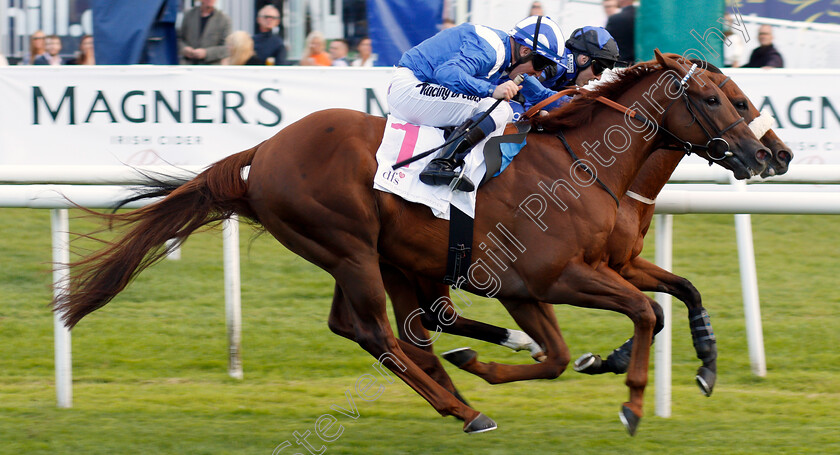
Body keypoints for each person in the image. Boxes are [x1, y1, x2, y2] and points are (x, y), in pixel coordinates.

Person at [388, 15, 566, 191]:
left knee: (498, 108)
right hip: (409, 88)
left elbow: (542, 96)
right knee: (499, 110)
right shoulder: (490, 51)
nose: (539, 73)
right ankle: (441, 164)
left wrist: (585, 102)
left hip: (420, 89)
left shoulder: (509, 59)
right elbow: (446, 73)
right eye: (542, 64)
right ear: (525, 51)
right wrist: (491, 90)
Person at [178, 0, 232, 65]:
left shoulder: (223, 19)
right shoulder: (189, 15)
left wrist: (207, 53)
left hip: (210, 67)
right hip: (189, 65)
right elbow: (179, 38)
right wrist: (184, 49)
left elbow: (227, 48)